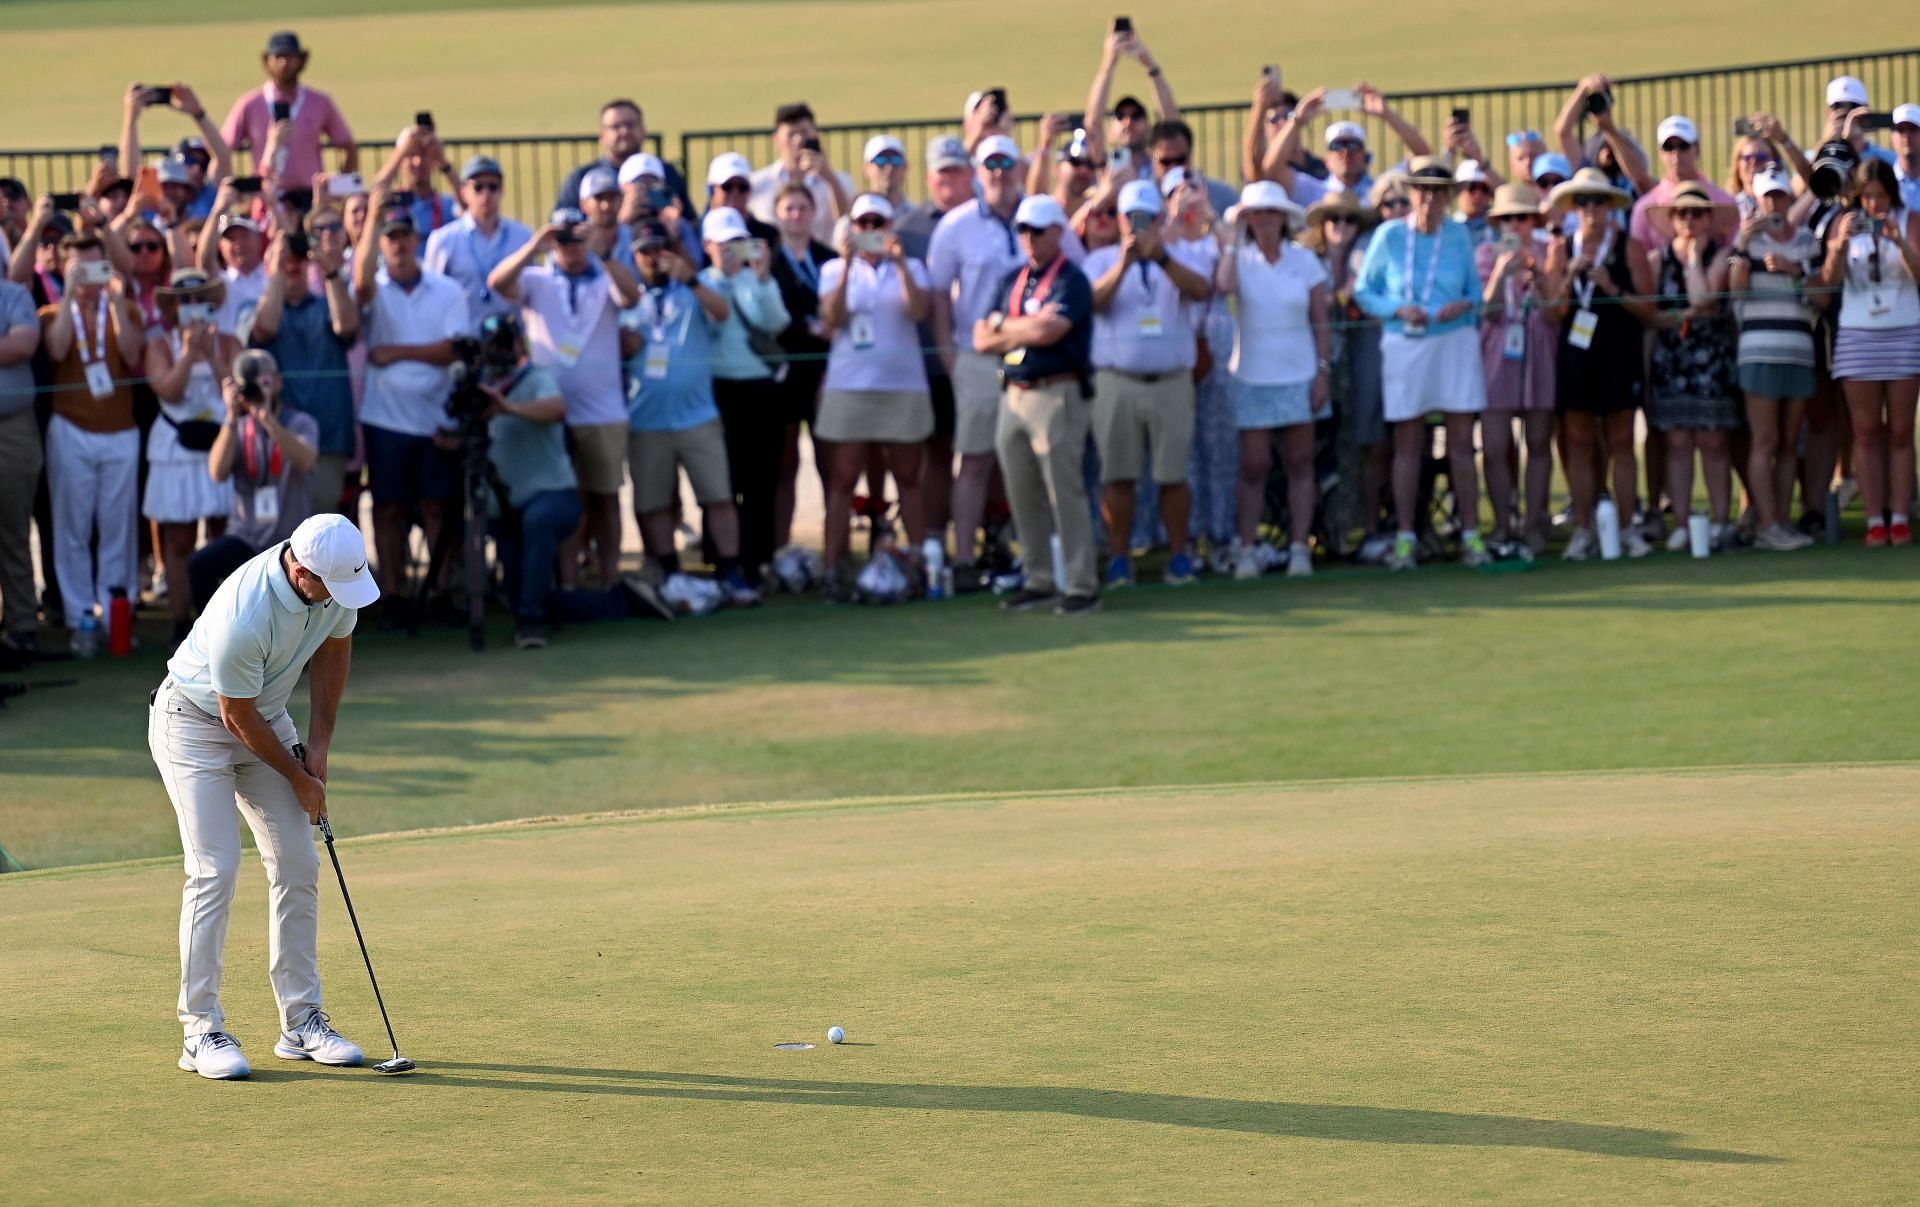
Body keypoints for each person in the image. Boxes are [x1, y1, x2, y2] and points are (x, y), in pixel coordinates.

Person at [150, 512, 378, 1080]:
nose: (337, 597)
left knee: (298, 861)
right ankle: (199, 1029)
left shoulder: (334, 582)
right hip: (194, 722)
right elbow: (236, 715)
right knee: (215, 869)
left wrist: (319, 745)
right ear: (299, 570)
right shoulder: (243, 613)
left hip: (265, 717)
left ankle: (301, 1022)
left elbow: (335, 649)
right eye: (328, 587)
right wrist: (300, 778)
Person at [487, 206, 639, 589]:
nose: (570, 246)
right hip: (548, 412)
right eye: (563, 238)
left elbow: (633, 297)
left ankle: (609, 580)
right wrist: (535, 244)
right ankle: (568, 584)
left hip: (603, 411)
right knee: (569, 503)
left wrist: (600, 251)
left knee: (605, 499)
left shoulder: (604, 276)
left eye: (575, 237)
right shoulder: (537, 278)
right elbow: (497, 283)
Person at [1353, 158, 1489, 571]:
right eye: (1421, 190)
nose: (1429, 199)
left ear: (1448, 197)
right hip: (1406, 342)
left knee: (1462, 443)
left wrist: (1463, 305)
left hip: (1454, 339)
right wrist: (1398, 309)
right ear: (1411, 194)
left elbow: (1476, 294)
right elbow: (1364, 292)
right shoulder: (1390, 235)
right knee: (1408, 443)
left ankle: (1470, 534)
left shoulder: (1459, 234)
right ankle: (1406, 536)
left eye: (1437, 191)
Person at [970, 194, 1099, 615]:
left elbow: (1050, 331)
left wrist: (1004, 328)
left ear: (1058, 233)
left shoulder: (1071, 280)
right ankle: (1039, 577)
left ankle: (1081, 583)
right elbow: (979, 338)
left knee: (1065, 491)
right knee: (1021, 492)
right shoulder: (1012, 279)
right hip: (1014, 392)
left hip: (1056, 392)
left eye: (1037, 231)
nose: (1028, 239)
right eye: (1023, 230)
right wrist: (1020, 328)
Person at [619, 220, 758, 606]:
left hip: (697, 416)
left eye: (660, 249)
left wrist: (692, 279)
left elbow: (722, 312)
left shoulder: (693, 288)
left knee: (718, 497)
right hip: (647, 419)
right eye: (645, 251)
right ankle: (669, 572)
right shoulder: (628, 298)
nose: (653, 258)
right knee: (655, 502)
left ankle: (730, 572)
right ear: (634, 256)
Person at [1084, 179, 1211, 586]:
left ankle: (1178, 555)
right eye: (1130, 218)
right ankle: (1120, 557)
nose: (1137, 226)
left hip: (1171, 380)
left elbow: (1201, 289)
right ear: (1118, 220)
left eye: (1146, 218)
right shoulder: (1100, 259)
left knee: (1173, 475)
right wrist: (1124, 264)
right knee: (1117, 476)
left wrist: (1161, 259)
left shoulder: (1180, 254)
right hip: (1117, 380)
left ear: (1159, 219)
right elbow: (1091, 302)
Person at [927, 136, 1033, 589]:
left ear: (1018, 167)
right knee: (974, 460)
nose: (998, 172)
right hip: (977, 356)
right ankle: (966, 558)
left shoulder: (1039, 216)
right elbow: (937, 292)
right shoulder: (956, 225)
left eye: (1005, 163)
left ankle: (1030, 552)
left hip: (1033, 355)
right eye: (990, 164)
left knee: (1027, 457)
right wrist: (948, 353)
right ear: (976, 169)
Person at [351, 199, 470, 601]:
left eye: (404, 235)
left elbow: (455, 348)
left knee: (437, 506)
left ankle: (436, 591)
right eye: (390, 238)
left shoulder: (447, 289)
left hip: (434, 416)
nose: (398, 244)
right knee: (388, 508)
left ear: (416, 239)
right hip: (385, 418)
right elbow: (362, 282)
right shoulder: (372, 289)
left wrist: (397, 351)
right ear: (381, 245)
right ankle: (393, 595)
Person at [815, 194, 934, 594]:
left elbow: (919, 312)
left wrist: (899, 264)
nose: (870, 231)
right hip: (850, 385)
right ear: (852, 228)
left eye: (877, 223)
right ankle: (833, 567)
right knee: (843, 477)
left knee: (907, 476)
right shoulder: (833, 269)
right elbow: (832, 319)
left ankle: (918, 563)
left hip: (902, 385)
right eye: (863, 223)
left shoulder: (913, 267)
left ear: (890, 228)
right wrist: (848, 265)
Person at [1543, 168, 1661, 559]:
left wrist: (1613, 290)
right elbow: (1553, 312)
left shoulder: (1628, 248)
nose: (1590, 210)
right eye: (1583, 202)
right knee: (1578, 442)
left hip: (1617, 351)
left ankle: (1627, 528)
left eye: (1598, 201)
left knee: (1622, 442)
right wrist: (1566, 280)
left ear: (1610, 206)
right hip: (1576, 353)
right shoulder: (1561, 249)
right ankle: (1584, 528)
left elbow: (1649, 309)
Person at [1215, 181, 1329, 579]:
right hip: (1252, 376)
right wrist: (1231, 239)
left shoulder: (1304, 261)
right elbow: (1224, 286)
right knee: (1254, 466)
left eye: (1269, 212)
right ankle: (1247, 551)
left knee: (1300, 462)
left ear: (1282, 218)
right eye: (1255, 213)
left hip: (1300, 374)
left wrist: (1322, 373)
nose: (1263, 219)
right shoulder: (1238, 258)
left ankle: (1300, 549)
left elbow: (1321, 322)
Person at [40, 234, 147, 652]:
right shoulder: (52, 312)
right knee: (73, 528)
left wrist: (117, 302)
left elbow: (132, 351)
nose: (88, 279)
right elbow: (58, 347)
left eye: (95, 268)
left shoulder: (126, 309)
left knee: (118, 528)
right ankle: (79, 616)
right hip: (71, 428)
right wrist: (68, 296)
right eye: (78, 270)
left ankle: (115, 610)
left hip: (120, 430)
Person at [1820, 159, 1920, 545]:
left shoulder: (1908, 220)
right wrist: (1839, 246)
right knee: (1865, 431)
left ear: (1891, 194)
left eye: (1880, 196)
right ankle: (1875, 519)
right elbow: (1829, 281)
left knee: (1899, 430)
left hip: (1904, 330)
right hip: (1858, 333)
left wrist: (1898, 242)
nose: (1875, 206)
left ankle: (1899, 517)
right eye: (1867, 197)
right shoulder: (1844, 222)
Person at [1728, 166, 1824, 551]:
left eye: (1779, 196)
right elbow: (1735, 292)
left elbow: (1822, 295)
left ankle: (1781, 521)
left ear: (1788, 198)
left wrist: (1794, 271)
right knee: (1765, 441)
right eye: (1767, 196)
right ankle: (1767, 523)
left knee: (1789, 442)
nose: (1773, 203)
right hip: (1759, 351)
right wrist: (1739, 246)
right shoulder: (1748, 242)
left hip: (1798, 351)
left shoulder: (1806, 240)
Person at [1644, 184, 1743, 551]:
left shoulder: (1722, 255)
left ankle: (1720, 522)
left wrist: (1692, 260)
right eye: (1681, 213)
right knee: (1678, 441)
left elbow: (1705, 296)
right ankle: (1682, 523)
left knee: (1714, 441)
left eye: (1697, 213)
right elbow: (1652, 316)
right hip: (1672, 360)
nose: (1689, 220)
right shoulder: (1656, 261)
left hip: (1711, 360)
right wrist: (1686, 315)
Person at [699, 206, 790, 583]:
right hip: (720, 388)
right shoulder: (701, 282)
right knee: (723, 479)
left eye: (737, 242)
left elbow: (776, 322)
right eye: (723, 244)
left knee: (760, 478)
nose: (730, 250)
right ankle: (722, 557)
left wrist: (764, 276)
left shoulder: (759, 281)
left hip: (759, 389)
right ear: (707, 246)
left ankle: (757, 559)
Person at [895, 136, 976, 558]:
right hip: (929, 362)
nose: (949, 178)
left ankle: (992, 534)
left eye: (956, 170)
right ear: (928, 177)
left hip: (981, 355)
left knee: (986, 453)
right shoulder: (908, 229)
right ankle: (933, 543)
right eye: (941, 171)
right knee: (938, 453)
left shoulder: (987, 219)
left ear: (970, 174)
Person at [190, 349, 320, 610]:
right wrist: (230, 416)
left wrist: (269, 420)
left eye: (263, 382)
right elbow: (217, 472)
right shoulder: (236, 428)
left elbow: (306, 461)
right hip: (246, 537)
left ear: (278, 382)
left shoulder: (300, 423)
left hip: (289, 540)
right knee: (199, 566)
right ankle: (210, 639)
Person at [144, 269, 234, 644]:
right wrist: (187, 354)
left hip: (220, 443)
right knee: (179, 539)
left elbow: (235, 387)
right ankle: (183, 619)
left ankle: (227, 620)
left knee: (223, 535)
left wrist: (211, 355)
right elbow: (169, 391)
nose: (193, 308)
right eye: (185, 301)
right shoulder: (160, 346)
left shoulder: (228, 343)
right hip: (177, 447)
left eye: (200, 300)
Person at [1474, 183, 1557, 554]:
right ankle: (1503, 523)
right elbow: (1486, 312)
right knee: (1494, 446)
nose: (1514, 226)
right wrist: (1500, 276)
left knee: (1538, 442)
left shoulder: (1548, 252)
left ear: (1532, 221)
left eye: (1521, 218)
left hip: (1538, 349)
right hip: (1496, 354)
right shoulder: (1484, 255)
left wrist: (1537, 278)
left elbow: (1556, 310)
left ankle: (1536, 520)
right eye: (1507, 219)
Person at [251, 229, 357, 517]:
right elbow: (266, 329)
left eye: (299, 258)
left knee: (320, 530)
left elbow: (347, 327)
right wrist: (275, 272)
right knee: (279, 534)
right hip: (277, 437)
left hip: (328, 438)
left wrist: (329, 269)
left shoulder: (328, 305)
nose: (292, 264)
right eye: (286, 258)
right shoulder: (262, 309)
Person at [766, 183, 835, 553]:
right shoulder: (769, 262)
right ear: (777, 214)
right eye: (789, 208)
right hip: (785, 375)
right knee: (785, 466)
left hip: (825, 373)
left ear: (814, 212)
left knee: (830, 465)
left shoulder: (828, 258)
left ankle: (832, 549)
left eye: (802, 208)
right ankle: (780, 549)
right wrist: (807, 325)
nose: (796, 215)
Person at [221, 31, 356, 183]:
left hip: (310, 195)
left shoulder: (320, 102)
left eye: (290, 57)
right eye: (279, 57)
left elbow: (347, 145)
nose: (284, 63)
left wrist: (341, 187)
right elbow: (222, 149)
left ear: (301, 60)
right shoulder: (250, 104)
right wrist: (241, 191)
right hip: (267, 194)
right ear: (267, 60)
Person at [423, 155, 532, 328]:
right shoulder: (444, 239)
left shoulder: (522, 236)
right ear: (464, 193)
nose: (486, 194)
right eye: (478, 187)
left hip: (511, 342)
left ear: (502, 190)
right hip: (463, 339)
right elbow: (431, 294)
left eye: (493, 187)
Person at [557, 99, 692, 216]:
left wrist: (675, 225)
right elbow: (562, 232)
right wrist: (622, 220)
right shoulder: (583, 178)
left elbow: (693, 225)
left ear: (644, 130)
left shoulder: (666, 172)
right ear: (602, 135)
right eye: (616, 126)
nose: (624, 131)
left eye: (630, 124)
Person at [0, 275, 40, 655]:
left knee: (13, 529)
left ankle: (23, 624)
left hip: (12, 428)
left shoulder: (13, 295)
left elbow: (23, 342)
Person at [1079, 22, 1181, 170]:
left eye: (1137, 116)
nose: (1128, 122)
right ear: (1110, 131)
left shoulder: (1159, 163)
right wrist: (1108, 64)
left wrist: (1149, 63)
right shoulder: (1106, 165)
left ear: (1149, 127)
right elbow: (1093, 125)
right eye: (1120, 116)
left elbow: (1172, 126)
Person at [1628, 117, 1739, 250]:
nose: (1676, 153)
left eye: (1683, 146)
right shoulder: (1643, 208)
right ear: (1661, 153)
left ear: (1697, 150)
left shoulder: (1726, 203)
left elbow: (1733, 255)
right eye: (1668, 147)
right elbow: (1640, 263)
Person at [749, 103, 851, 244]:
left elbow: (847, 225)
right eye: (791, 134)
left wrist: (830, 179)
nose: (798, 140)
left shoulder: (839, 181)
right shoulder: (757, 184)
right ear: (777, 140)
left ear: (815, 134)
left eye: (804, 132)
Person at [374, 125, 458, 238]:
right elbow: (376, 190)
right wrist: (400, 152)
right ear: (400, 161)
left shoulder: (447, 205)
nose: (418, 162)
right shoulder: (392, 203)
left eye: (424, 155)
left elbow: (469, 201)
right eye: (411, 155)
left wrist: (443, 162)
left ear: (434, 160)